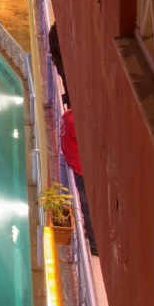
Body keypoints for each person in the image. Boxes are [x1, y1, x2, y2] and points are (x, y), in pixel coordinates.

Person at [61, 107, 96, 254]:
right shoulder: (74, 121)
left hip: (74, 163)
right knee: (89, 207)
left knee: (88, 206)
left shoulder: (68, 114)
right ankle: (94, 245)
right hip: (80, 169)